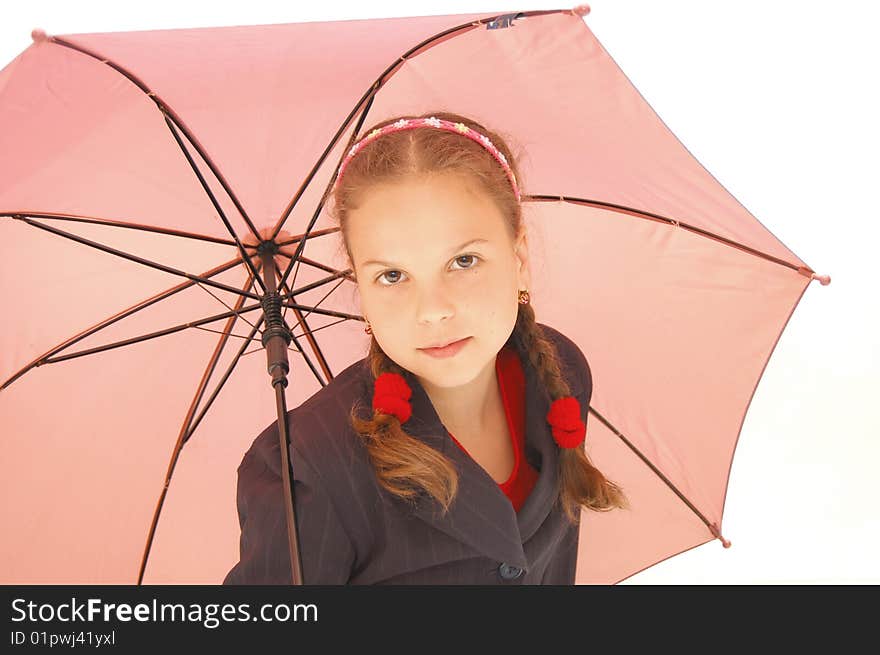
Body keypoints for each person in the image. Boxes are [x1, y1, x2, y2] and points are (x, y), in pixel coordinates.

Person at [223, 111, 628, 585]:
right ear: (360, 285)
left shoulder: (561, 375)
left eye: (463, 261)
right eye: (392, 276)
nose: (432, 311)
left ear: (519, 260)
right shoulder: (309, 468)